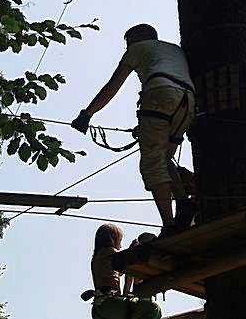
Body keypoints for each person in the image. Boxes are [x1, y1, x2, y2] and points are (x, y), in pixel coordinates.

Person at [71, 24, 195, 236]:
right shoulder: (173, 49)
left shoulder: (137, 49)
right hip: (188, 102)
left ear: (135, 40)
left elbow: (112, 86)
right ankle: (183, 204)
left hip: (159, 93)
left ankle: (169, 224)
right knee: (164, 159)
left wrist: (87, 114)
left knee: (152, 164)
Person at [88, 223, 161, 319]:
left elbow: (124, 270)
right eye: (120, 240)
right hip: (111, 304)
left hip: (99, 308)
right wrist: (133, 249)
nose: (121, 245)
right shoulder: (109, 251)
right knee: (153, 309)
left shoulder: (98, 256)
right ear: (113, 238)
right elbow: (127, 263)